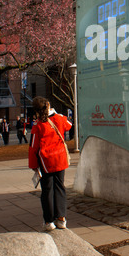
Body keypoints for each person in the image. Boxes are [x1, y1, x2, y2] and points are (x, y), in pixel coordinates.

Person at [29, 97, 72, 232]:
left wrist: (33, 164)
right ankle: (61, 218)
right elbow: (69, 125)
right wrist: (54, 112)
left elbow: (33, 147)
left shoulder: (37, 125)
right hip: (59, 158)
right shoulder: (58, 118)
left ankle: (49, 221)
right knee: (60, 187)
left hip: (45, 161)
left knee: (47, 191)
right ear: (48, 106)